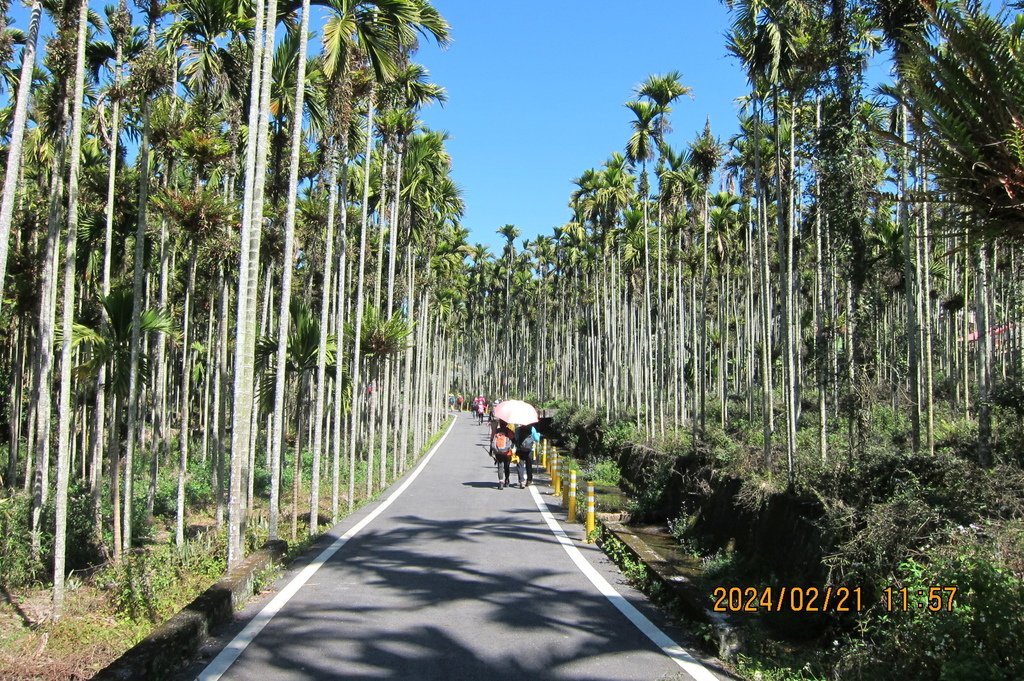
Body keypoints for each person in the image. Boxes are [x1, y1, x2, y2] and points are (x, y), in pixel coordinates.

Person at [491, 422, 516, 489]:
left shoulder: (497, 430)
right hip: (507, 452)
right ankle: (507, 480)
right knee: (507, 466)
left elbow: (492, 440)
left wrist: (492, 451)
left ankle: (501, 482)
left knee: (500, 466)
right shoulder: (509, 431)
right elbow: (514, 440)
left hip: (498, 452)